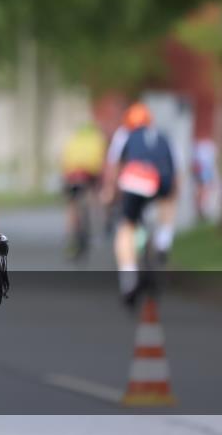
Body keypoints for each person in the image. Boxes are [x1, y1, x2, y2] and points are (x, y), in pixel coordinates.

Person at [101, 102, 177, 306]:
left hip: (135, 180)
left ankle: (128, 280)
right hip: (161, 179)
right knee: (167, 202)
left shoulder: (124, 135)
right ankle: (163, 240)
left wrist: (110, 193)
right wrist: (170, 195)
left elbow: (115, 166)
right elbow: (175, 172)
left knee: (126, 227)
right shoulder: (162, 136)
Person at [59, 122, 106, 260]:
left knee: (71, 205)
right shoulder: (98, 139)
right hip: (88, 175)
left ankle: (70, 235)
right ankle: (95, 230)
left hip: (71, 175)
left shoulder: (73, 140)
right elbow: (101, 162)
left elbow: (64, 159)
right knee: (92, 198)